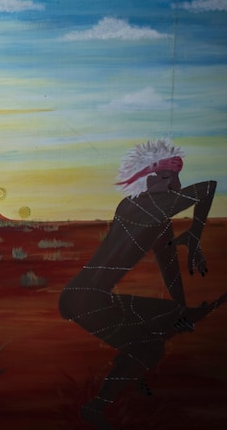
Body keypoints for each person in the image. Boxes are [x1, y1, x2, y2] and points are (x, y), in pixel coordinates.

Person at [58, 139, 224, 430]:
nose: (175, 185)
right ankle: (96, 407)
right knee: (149, 348)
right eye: (167, 177)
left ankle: (130, 366)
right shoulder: (143, 208)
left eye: (175, 177)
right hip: (85, 299)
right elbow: (208, 187)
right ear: (148, 179)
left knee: (166, 318)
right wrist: (195, 235)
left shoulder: (150, 215)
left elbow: (168, 266)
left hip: (91, 297)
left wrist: (181, 309)